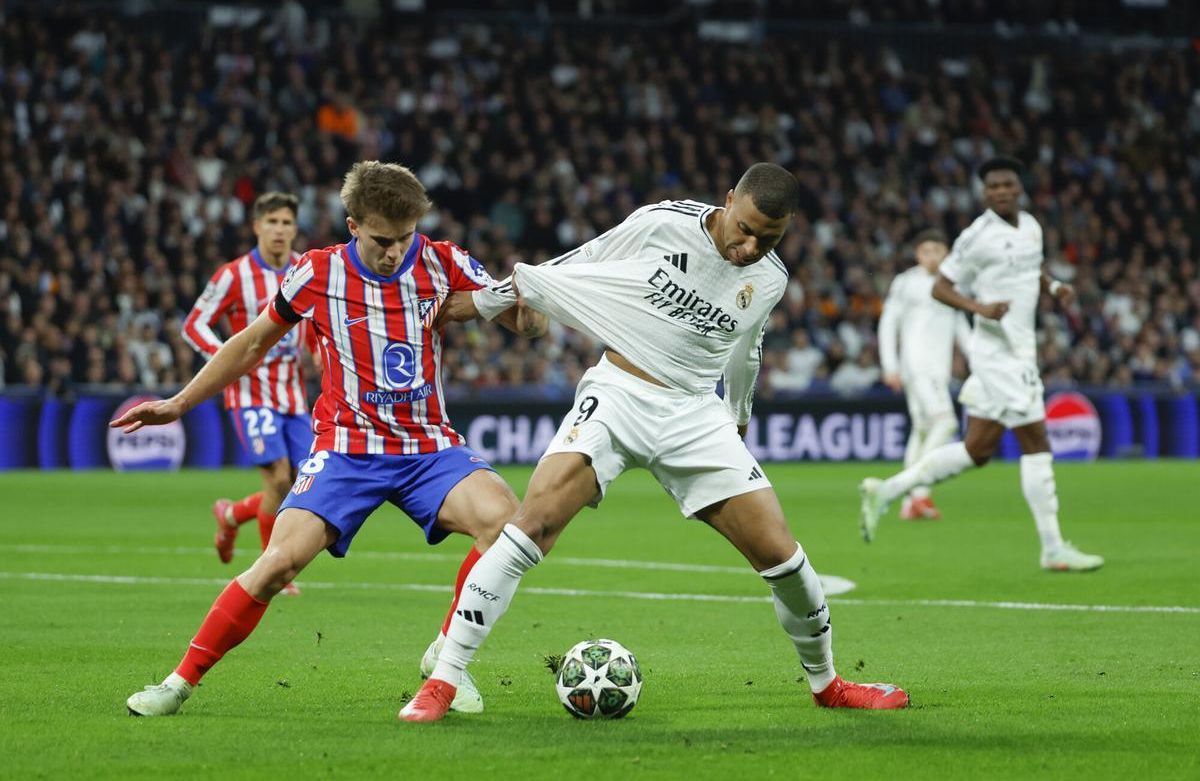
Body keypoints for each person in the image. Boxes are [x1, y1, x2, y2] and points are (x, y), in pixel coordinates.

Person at [401, 163, 909, 722]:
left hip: (695, 412)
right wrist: (486, 303)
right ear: (729, 198)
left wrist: (737, 419)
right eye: (745, 228)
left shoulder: (770, 278)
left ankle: (827, 684)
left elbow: (747, 349)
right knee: (532, 526)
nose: (750, 246)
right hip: (618, 392)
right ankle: (444, 680)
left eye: (770, 237)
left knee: (783, 559)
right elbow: (577, 267)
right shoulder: (663, 224)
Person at [116, 161, 547, 717]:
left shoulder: (443, 259)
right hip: (347, 449)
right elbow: (250, 344)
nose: (395, 252)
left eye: (405, 238)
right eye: (382, 240)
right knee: (276, 566)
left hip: (427, 447)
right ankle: (176, 684)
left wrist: (519, 298)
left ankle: (447, 655)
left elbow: (530, 327)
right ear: (352, 226)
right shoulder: (318, 273)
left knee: (507, 525)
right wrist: (178, 402)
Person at [858, 156, 1104, 572]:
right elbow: (941, 287)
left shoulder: (1031, 226)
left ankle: (888, 490)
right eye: (993, 187)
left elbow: (1033, 265)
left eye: (1008, 184)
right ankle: (1053, 548)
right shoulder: (977, 236)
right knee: (1036, 442)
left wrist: (1055, 285)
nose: (1001, 192)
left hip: (1017, 349)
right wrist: (980, 308)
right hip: (1000, 355)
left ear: (1019, 187)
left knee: (977, 450)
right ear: (984, 193)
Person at [182, 192, 315, 593]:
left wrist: (319, 352)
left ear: (295, 229)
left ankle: (232, 515)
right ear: (257, 227)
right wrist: (227, 356)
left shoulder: (305, 269)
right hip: (250, 393)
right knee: (277, 480)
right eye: (271, 222)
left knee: (301, 483)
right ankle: (272, 569)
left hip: (292, 396)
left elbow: (317, 319)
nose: (279, 230)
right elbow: (194, 324)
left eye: (286, 223)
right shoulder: (233, 275)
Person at [876, 229, 970, 521]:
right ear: (918, 255)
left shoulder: (952, 284)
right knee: (946, 423)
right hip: (917, 367)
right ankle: (918, 493)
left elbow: (961, 329)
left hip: (938, 370)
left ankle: (908, 505)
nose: (932, 256)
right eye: (926, 251)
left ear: (947, 253)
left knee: (922, 430)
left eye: (938, 250)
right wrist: (890, 365)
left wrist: (979, 364)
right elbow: (888, 324)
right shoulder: (906, 283)